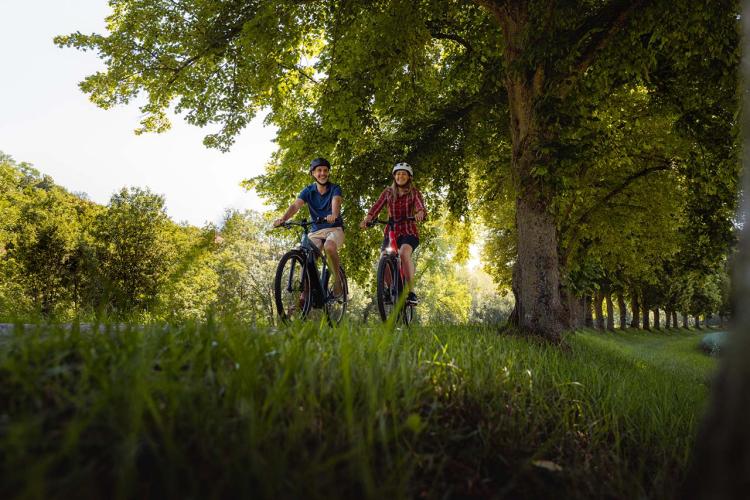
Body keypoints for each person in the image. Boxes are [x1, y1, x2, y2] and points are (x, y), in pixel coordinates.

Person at [273, 157, 344, 297]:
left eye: (325, 170)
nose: (322, 173)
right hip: (316, 230)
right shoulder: (308, 191)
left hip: (334, 228)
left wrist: (333, 215)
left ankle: (337, 281)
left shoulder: (335, 188)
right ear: (312, 173)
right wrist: (283, 219)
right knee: (307, 255)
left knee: (329, 247)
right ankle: (304, 296)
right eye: (319, 170)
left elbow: (336, 201)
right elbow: (295, 206)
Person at [359, 162, 426, 304]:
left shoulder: (414, 192)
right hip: (392, 231)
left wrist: (420, 213)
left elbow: (420, 206)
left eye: (404, 174)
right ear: (394, 176)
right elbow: (376, 207)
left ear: (409, 177)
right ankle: (391, 290)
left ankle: (411, 292)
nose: (400, 176)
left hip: (409, 231)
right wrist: (368, 218)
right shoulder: (388, 192)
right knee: (384, 257)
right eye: (398, 174)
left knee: (403, 253)